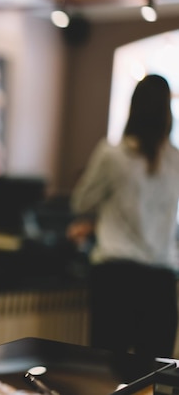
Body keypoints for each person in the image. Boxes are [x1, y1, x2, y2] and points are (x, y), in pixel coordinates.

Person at [70, 74, 179, 358]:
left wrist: (99, 218)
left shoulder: (112, 155)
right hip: (161, 284)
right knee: (155, 376)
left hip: (116, 280)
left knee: (107, 373)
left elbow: (81, 201)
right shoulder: (176, 160)